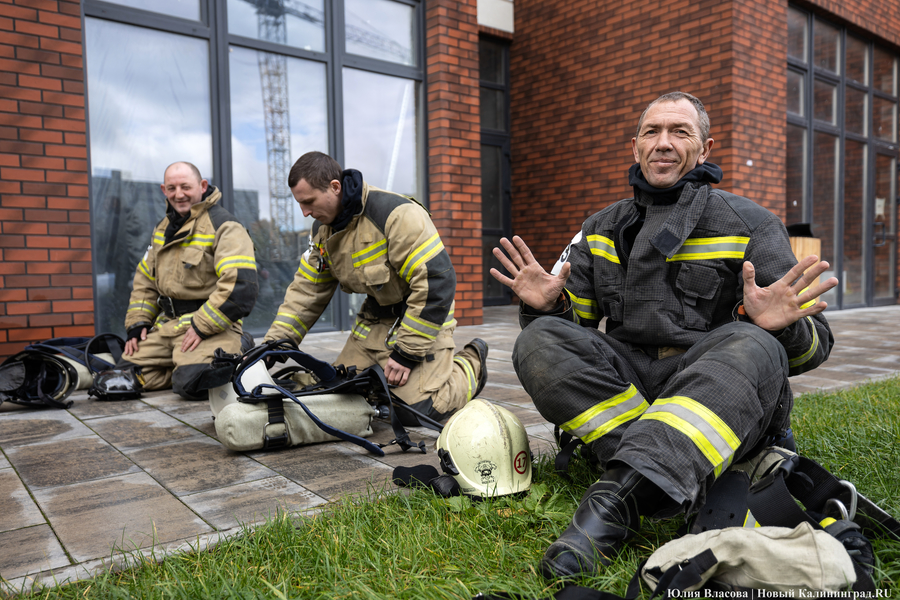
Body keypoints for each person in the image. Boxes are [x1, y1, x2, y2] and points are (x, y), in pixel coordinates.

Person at [490, 92, 838, 579]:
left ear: (706, 147)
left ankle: (611, 506)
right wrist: (548, 307)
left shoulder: (752, 224)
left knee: (753, 343)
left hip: (713, 384)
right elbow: (576, 335)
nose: (664, 143)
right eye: (652, 132)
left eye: (680, 132)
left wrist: (774, 324)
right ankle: (675, 462)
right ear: (635, 146)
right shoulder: (599, 228)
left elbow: (814, 348)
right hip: (635, 381)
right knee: (540, 340)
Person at [264, 151, 488, 425]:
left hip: (421, 318)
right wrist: (274, 345)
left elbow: (437, 281)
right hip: (375, 322)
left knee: (416, 411)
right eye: (300, 203)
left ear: (334, 187)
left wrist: (407, 353)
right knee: (336, 390)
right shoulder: (322, 232)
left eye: (309, 202)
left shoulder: (396, 215)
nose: (305, 212)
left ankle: (470, 365)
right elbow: (306, 293)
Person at [118, 161, 259, 400]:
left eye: (185, 187)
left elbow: (240, 287)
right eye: (171, 188)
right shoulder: (161, 229)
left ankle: (239, 343)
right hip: (169, 326)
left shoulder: (225, 226)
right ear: (163, 190)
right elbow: (146, 281)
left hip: (210, 326)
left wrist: (201, 326)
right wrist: (138, 323)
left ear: (202, 186)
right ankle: (183, 364)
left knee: (192, 383)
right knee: (124, 374)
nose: (179, 194)